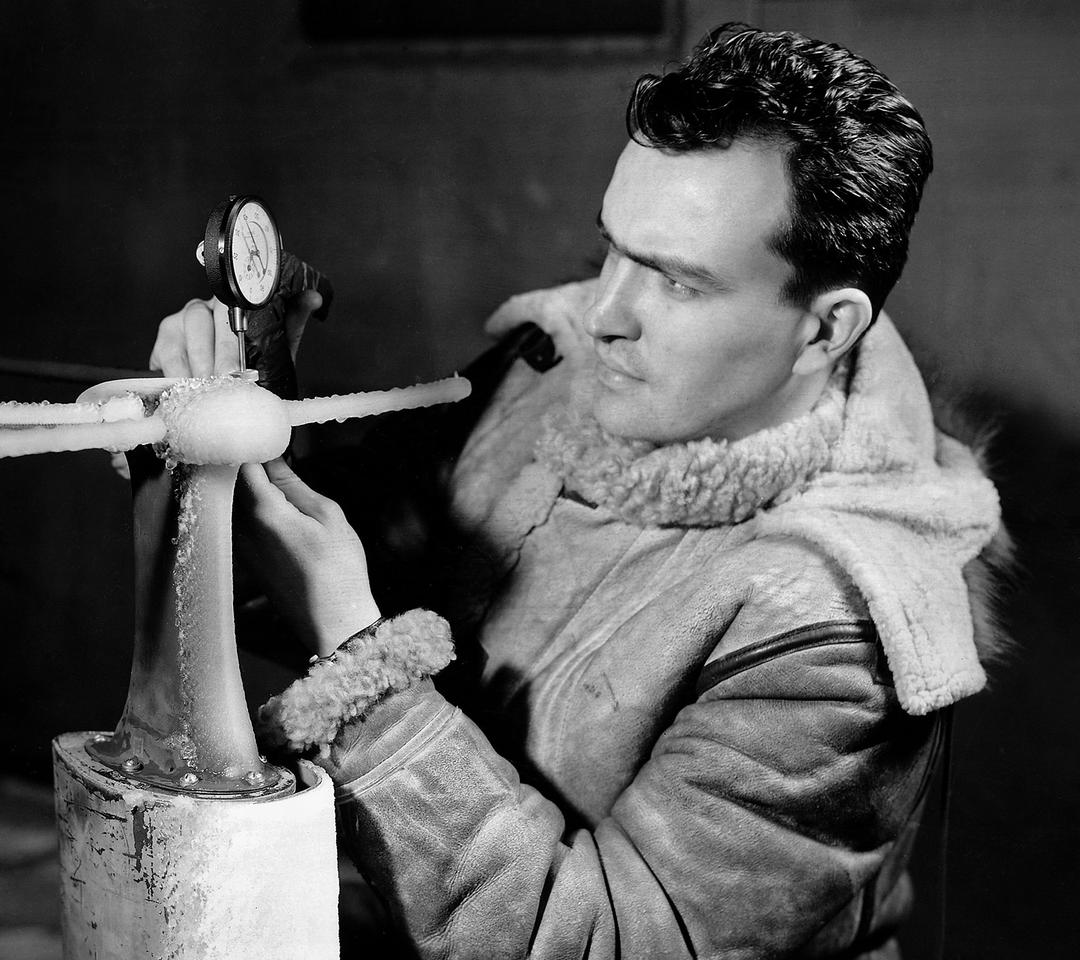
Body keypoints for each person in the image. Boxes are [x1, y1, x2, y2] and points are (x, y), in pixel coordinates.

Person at [148, 24, 1006, 959]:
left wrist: (362, 664)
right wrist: (243, 419)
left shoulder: (839, 628)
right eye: (612, 250)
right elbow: (320, 559)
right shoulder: (549, 369)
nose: (603, 314)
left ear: (823, 331)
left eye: (677, 282)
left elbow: (599, 943)